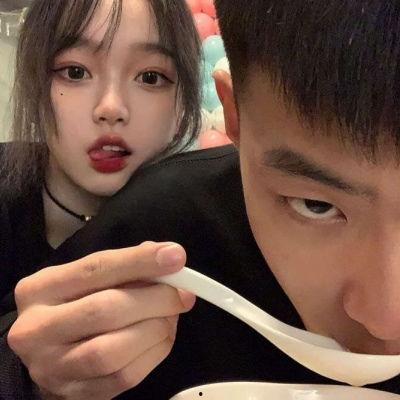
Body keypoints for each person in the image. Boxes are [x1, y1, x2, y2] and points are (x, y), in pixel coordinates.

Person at [3, 0, 400, 399]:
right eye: (315, 205)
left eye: (151, 76)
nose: (386, 324)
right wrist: (37, 382)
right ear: (235, 115)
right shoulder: (158, 228)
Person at [0, 0, 201, 398]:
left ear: (183, 101)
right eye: (75, 72)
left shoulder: (201, 225)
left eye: (150, 77)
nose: (111, 108)